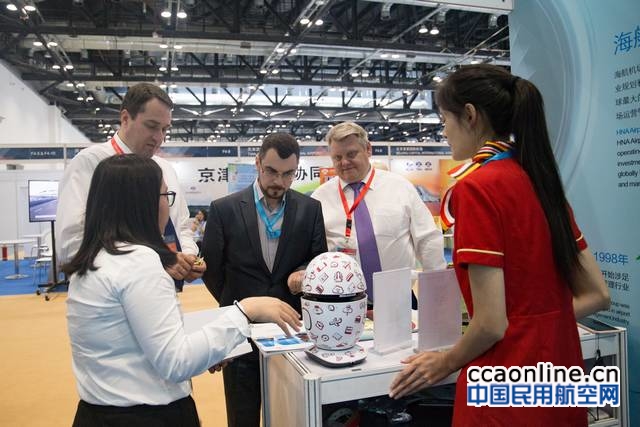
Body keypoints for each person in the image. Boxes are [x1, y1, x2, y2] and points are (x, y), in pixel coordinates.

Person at [389, 64, 610, 425]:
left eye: (444, 119)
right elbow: (598, 294)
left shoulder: (478, 188)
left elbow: (491, 324)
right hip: (560, 374)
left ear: (470, 115)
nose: (443, 131)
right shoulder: (542, 181)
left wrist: (444, 363)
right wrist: (538, 327)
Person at [64, 154, 301, 427]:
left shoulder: (95, 259)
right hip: (148, 416)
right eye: (166, 196)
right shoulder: (139, 263)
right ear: (144, 203)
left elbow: (139, 339)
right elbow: (176, 362)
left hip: (97, 413)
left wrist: (208, 346)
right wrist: (245, 312)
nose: (168, 206)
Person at [201, 132, 328, 427]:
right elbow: (212, 270)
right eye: (271, 171)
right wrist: (238, 306)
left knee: (293, 417)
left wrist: (303, 273)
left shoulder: (310, 209)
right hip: (240, 334)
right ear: (257, 163)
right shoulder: (224, 209)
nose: (278, 182)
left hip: (292, 334)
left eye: (288, 174)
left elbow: (317, 259)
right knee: (242, 418)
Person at [56, 82, 204, 289]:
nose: (159, 138)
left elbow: (181, 225)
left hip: (163, 288)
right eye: (151, 126)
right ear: (125, 118)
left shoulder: (165, 169)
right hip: (112, 292)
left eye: (164, 129)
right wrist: (156, 260)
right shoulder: (90, 163)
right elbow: (71, 243)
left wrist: (187, 257)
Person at [311, 121, 446, 306]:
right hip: (343, 303)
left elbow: (427, 239)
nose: (344, 163)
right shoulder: (320, 198)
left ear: (368, 149)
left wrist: (437, 290)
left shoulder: (400, 187)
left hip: (400, 299)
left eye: (351, 154)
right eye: (337, 157)